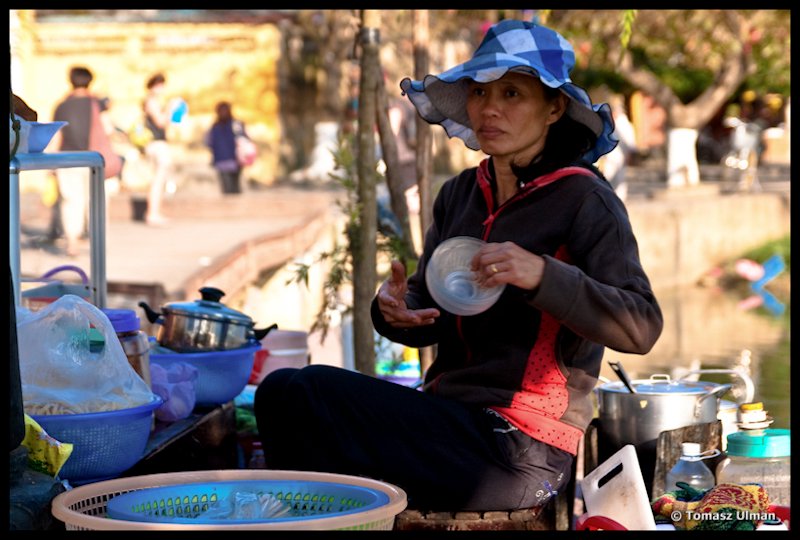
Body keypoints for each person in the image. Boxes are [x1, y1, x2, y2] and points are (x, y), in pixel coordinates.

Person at [254, 19, 663, 512]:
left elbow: (641, 327)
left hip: (525, 451)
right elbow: (432, 312)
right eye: (480, 92)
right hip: (450, 419)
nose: (489, 108)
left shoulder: (585, 199)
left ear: (554, 107)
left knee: (313, 392)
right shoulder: (460, 195)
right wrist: (396, 311)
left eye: (512, 93)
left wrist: (540, 274)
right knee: (280, 392)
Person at [49, 66, 119, 256]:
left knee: (71, 201)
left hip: (67, 159)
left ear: (70, 81)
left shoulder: (61, 106)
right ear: (90, 81)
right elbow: (109, 129)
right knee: (95, 201)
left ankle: (72, 243)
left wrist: (50, 162)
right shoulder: (97, 103)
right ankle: (99, 244)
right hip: (94, 159)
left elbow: (57, 136)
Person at [141, 73, 172, 225]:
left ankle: (155, 211)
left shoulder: (153, 101)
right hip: (156, 143)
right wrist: (170, 110)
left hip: (157, 143)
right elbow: (160, 122)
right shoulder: (151, 101)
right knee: (158, 178)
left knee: (159, 178)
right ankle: (152, 212)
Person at [205, 101, 246, 194]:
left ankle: (235, 207)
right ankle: (231, 207)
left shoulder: (235, 125)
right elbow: (209, 143)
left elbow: (244, 140)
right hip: (222, 162)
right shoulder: (215, 128)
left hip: (235, 161)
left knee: (235, 189)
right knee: (227, 190)